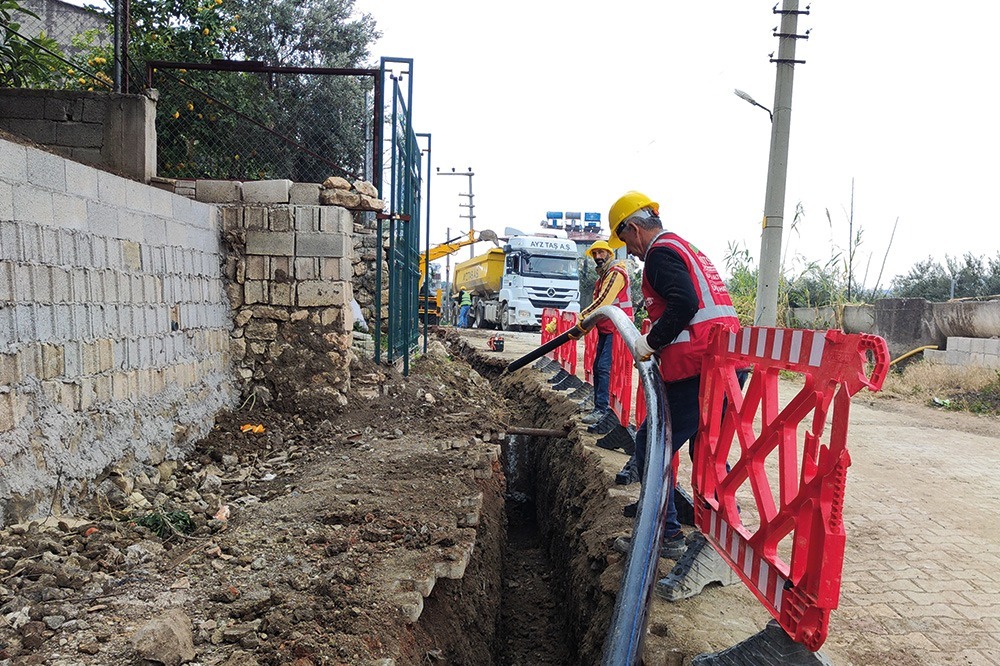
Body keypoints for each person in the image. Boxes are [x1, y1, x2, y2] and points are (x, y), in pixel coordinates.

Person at [606, 190, 741, 560]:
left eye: (626, 242)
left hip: (699, 369)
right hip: (725, 365)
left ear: (633, 228)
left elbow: (684, 303)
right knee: (708, 451)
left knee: (651, 445)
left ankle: (663, 536)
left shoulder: (660, 255)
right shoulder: (684, 247)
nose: (630, 252)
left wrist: (651, 341)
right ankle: (725, 532)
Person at [573, 240, 633, 425]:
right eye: (595, 254)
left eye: (601, 253)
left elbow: (603, 302)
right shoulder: (603, 276)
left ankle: (602, 410)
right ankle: (599, 407)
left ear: (609, 254)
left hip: (617, 329)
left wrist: (582, 317)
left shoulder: (615, 273)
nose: (598, 257)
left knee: (603, 368)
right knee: (599, 367)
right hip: (607, 329)